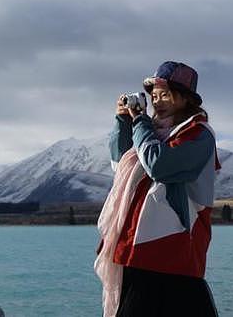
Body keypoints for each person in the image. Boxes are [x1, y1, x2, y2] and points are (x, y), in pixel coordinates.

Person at [94, 61, 221, 317]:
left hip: (174, 249)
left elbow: (158, 164)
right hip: (136, 246)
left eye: (165, 95)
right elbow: (122, 165)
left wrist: (139, 120)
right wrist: (123, 121)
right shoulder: (153, 132)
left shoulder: (198, 134)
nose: (157, 102)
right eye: (154, 97)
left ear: (185, 99)